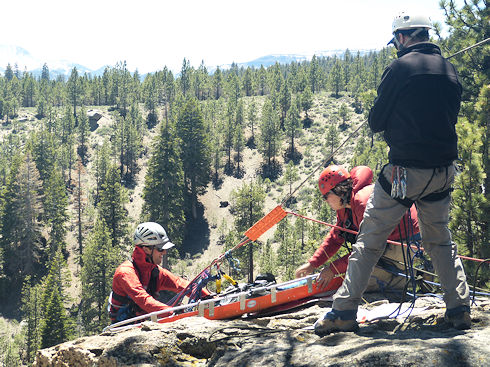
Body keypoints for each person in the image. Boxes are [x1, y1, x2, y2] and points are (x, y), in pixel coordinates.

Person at [315, 13, 471, 335]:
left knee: (369, 240)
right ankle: (459, 309)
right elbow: (450, 115)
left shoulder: (398, 69)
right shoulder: (449, 70)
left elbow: (376, 121)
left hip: (404, 172)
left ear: (401, 38)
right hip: (442, 172)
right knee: (440, 241)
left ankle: (343, 311)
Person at [295, 165, 419, 292]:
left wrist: (333, 269)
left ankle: (409, 276)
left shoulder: (363, 203)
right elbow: (336, 237)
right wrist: (313, 264)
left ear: (340, 191)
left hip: (406, 241)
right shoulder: (345, 206)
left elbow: (368, 248)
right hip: (387, 242)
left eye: (326, 196)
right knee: (354, 276)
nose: (326, 201)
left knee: (361, 282)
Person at [109, 222, 209, 323]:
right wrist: (173, 313)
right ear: (146, 249)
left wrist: (207, 296)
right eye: (160, 249)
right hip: (121, 329)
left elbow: (180, 284)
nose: (164, 252)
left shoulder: (154, 272)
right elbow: (144, 300)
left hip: (139, 326)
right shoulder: (125, 273)